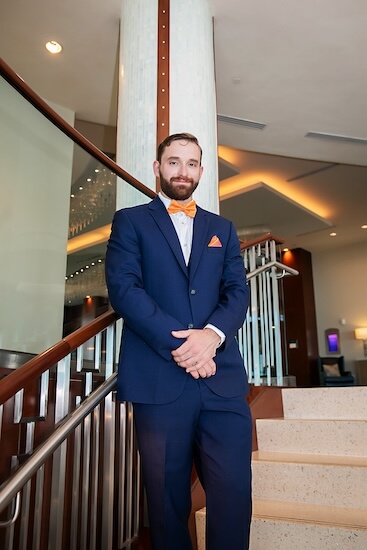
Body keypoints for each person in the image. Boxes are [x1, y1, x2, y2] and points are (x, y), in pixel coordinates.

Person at [105, 133, 252, 550]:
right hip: (158, 382)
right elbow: (125, 290)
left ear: (202, 171)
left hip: (221, 381)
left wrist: (212, 337)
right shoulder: (130, 221)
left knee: (233, 494)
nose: (182, 171)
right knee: (168, 504)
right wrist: (185, 347)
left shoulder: (222, 228)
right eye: (174, 162)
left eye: (191, 163)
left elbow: (237, 291)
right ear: (157, 168)